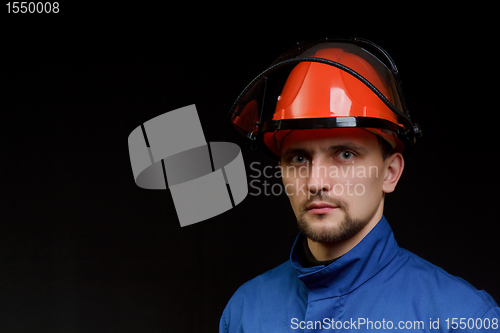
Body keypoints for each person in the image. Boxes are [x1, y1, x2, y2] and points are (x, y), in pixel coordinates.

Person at [221, 38, 500, 332]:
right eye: (299, 157)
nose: (316, 182)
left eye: (345, 154)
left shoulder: (463, 318)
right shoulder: (245, 312)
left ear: (390, 172)